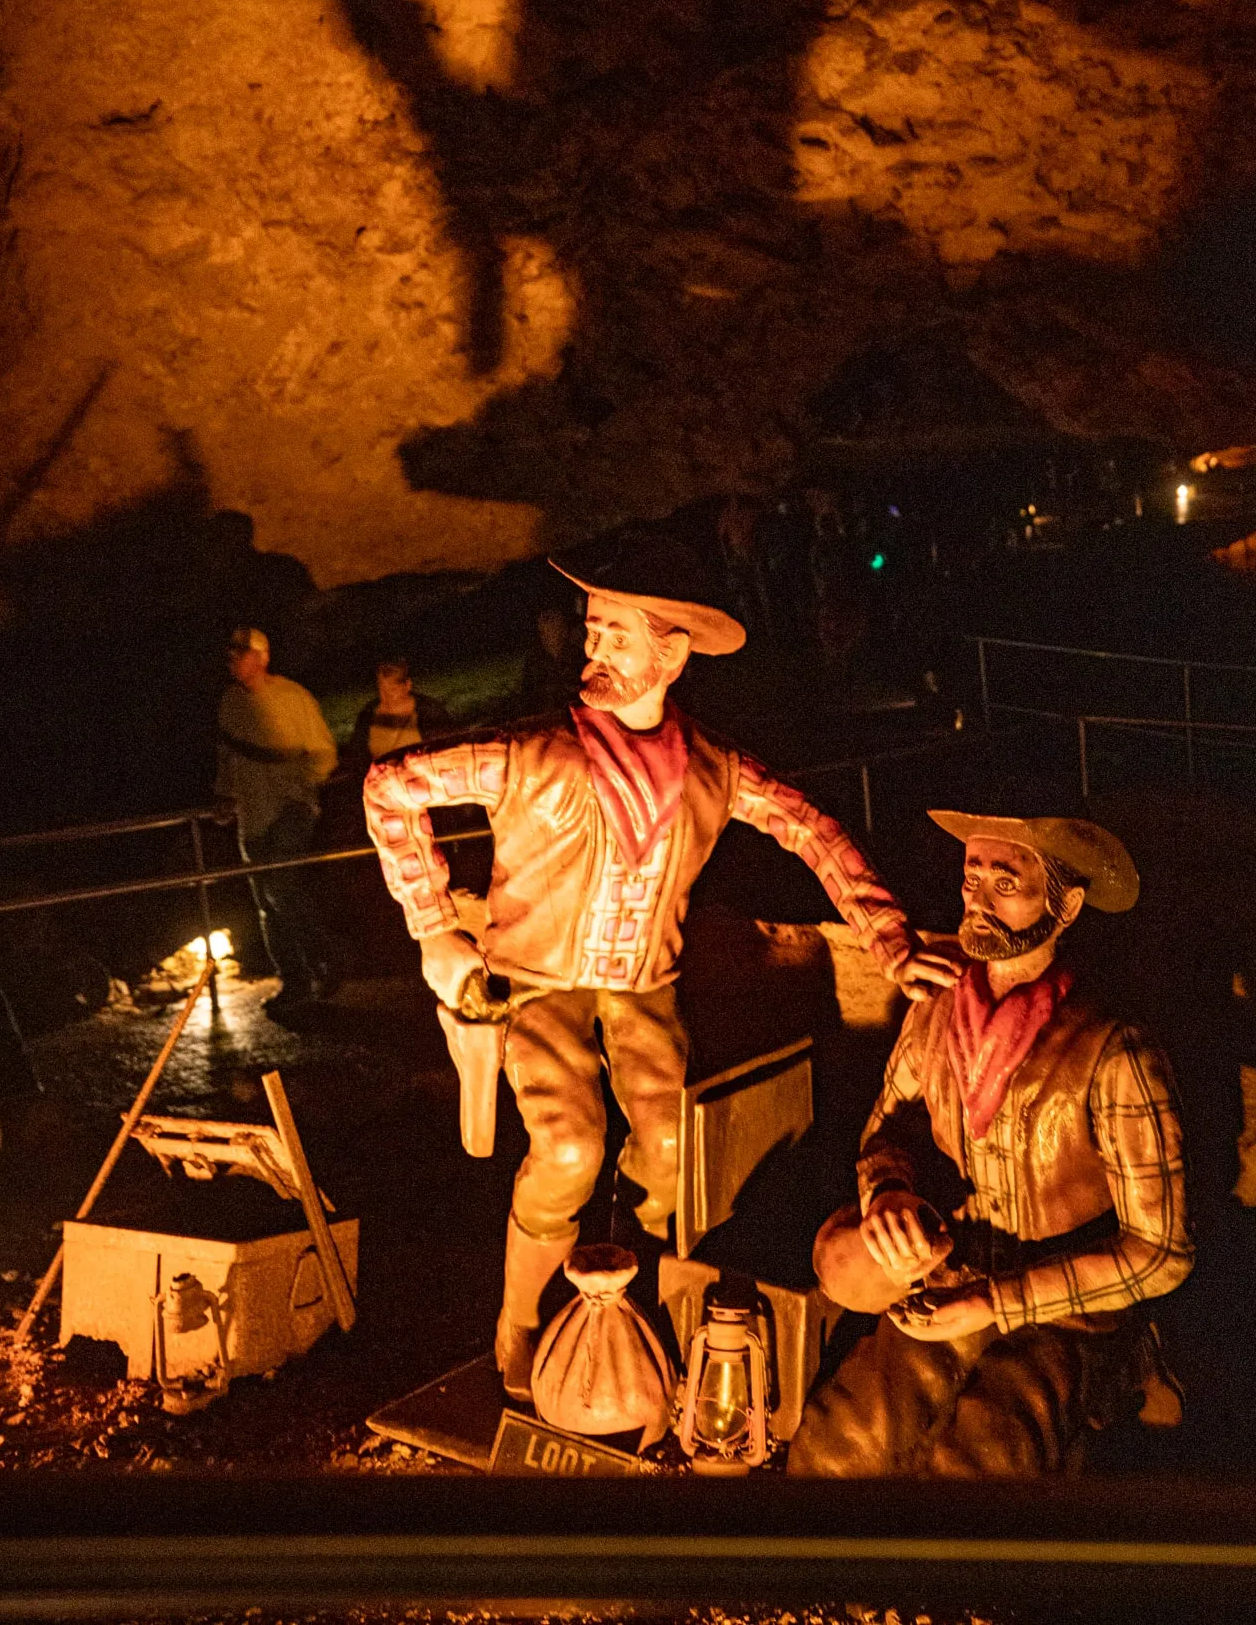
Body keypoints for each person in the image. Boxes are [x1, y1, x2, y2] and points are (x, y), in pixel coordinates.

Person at [363, 535, 957, 1394]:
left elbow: (812, 831)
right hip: (536, 978)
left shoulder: (714, 770)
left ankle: (613, 1297)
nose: (592, 649)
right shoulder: (534, 753)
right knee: (568, 1147)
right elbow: (390, 788)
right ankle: (522, 1316)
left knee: (674, 1148)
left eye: (616, 635)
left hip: (646, 983)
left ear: (672, 654)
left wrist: (890, 940)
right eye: (592, 630)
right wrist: (433, 929)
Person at [789, 811, 1193, 1478]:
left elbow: (1161, 1253)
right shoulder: (936, 1008)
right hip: (951, 1281)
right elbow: (887, 1129)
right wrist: (887, 1191)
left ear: (1065, 905)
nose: (977, 900)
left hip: (1067, 1320)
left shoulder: (1112, 1049)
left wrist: (999, 1303)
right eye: (971, 877)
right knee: (834, 1453)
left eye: (1005, 883)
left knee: (973, 1471)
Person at [216, 627, 340, 1014]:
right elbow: (228, 756)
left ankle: (326, 957)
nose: (234, 660)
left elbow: (323, 751)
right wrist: (224, 794)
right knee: (266, 903)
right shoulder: (231, 703)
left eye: (242, 653)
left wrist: (304, 790)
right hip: (252, 813)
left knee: (281, 889)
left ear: (262, 657)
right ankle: (296, 979)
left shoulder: (292, 697)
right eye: (232, 654)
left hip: (290, 808)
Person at [342, 659, 454, 785]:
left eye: (392, 690)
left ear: (407, 685)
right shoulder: (368, 715)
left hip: (424, 783)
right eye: (382, 690)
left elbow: (444, 751)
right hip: (383, 785)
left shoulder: (428, 711)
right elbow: (358, 756)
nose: (386, 697)